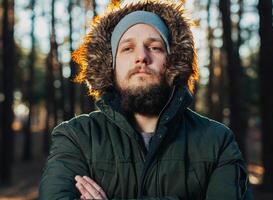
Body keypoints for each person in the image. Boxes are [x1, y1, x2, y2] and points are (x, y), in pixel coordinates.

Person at [39, 1, 253, 199]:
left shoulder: (217, 141)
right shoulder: (76, 137)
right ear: (110, 66)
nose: (141, 56)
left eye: (155, 47)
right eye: (127, 48)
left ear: (173, 62)